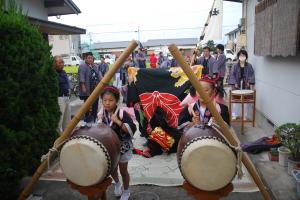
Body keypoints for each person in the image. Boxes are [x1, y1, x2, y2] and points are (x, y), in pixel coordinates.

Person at [97, 86, 136, 200]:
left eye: (111, 100)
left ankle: (127, 190)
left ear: (117, 101)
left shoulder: (122, 113)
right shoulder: (101, 113)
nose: (107, 103)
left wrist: (118, 121)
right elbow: (99, 131)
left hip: (122, 146)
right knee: (112, 169)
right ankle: (117, 183)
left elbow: (132, 129)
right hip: (109, 147)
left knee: (123, 170)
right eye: (105, 100)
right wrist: (99, 121)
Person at [228, 49, 255, 120]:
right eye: (240, 55)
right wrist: (234, 83)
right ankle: (235, 114)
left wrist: (249, 81)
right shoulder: (234, 66)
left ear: (246, 57)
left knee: (246, 101)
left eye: (243, 55)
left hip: (245, 85)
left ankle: (244, 116)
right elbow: (232, 75)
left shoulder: (249, 66)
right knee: (235, 101)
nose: (242, 57)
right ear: (238, 56)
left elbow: (252, 75)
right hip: (237, 84)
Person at [78, 52, 102, 123]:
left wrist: (103, 81)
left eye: (91, 58)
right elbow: (81, 76)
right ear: (85, 59)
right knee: (87, 107)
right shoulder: (82, 66)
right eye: (88, 58)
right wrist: (83, 86)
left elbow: (99, 75)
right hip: (87, 89)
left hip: (95, 89)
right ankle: (87, 122)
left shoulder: (95, 66)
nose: (90, 59)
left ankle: (94, 120)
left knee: (95, 106)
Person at [54, 56, 71, 133]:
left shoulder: (63, 72)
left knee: (67, 120)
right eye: (59, 62)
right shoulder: (53, 73)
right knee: (60, 121)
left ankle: (67, 136)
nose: (62, 64)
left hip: (66, 97)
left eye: (62, 62)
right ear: (54, 64)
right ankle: (59, 138)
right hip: (59, 98)